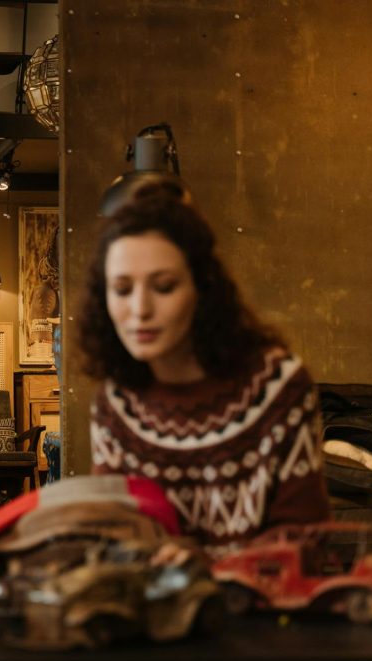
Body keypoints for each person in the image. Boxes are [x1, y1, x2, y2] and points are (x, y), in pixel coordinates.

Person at [77, 181, 329, 555]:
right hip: (159, 610)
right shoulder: (115, 404)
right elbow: (121, 542)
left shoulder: (277, 386)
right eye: (122, 289)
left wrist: (203, 565)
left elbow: (305, 539)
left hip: (260, 610)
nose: (140, 309)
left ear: (202, 288)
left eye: (163, 287)